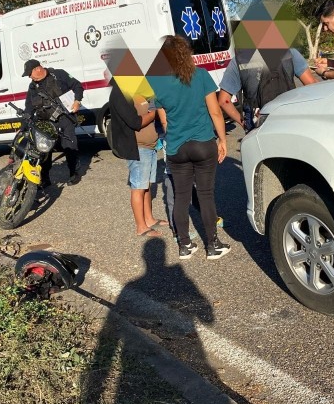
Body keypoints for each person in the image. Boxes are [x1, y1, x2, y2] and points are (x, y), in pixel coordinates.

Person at [151, 36, 230, 260]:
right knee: (205, 195)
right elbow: (215, 112)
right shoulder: (201, 76)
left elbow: (164, 121)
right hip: (203, 142)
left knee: (181, 196)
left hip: (177, 147)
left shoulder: (158, 83)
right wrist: (222, 140)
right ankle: (213, 245)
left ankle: (184, 245)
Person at [107, 83, 166, 237]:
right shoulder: (120, 93)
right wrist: (153, 113)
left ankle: (149, 219)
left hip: (150, 145)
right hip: (138, 147)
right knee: (138, 187)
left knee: (146, 186)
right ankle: (141, 227)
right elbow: (135, 122)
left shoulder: (138, 90)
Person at [217, 48, 317, 129]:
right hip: (290, 119)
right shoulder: (290, 52)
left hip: (258, 123)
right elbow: (312, 85)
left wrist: (244, 123)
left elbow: (223, 101)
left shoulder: (238, 60)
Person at [22, 59, 83, 186]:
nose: (29, 77)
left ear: (37, 69)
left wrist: (77, 101)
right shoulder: (33, 86)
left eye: (29, 74)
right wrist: (23, 126)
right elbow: (29, 107)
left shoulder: (59, 74)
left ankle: (74, 173)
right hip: (45, 121)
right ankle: (45, 179)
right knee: (44, 149)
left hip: (64, 118)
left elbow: (77, 86)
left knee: (69, 145)